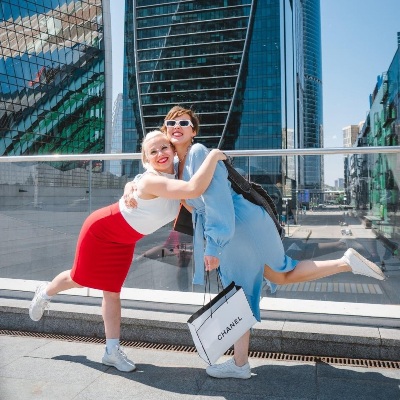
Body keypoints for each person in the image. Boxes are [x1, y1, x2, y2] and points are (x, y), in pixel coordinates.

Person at [161, 105, 385, 380]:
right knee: (279, 274)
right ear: (165, 130)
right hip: (245, 223)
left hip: (236, 226)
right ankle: (345, 262)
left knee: (240, 292)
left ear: (193, 131)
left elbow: (218, 200)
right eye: (171, 123)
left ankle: (240, 365)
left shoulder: (197, 153)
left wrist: (214, 245)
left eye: (184, 123)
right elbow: (192, 204)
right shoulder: (178, 165)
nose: (177, 127)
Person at [28, 130, 226, 373]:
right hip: (101, 230)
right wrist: (214, 155)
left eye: (164, 147)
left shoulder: (176, 172)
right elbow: (193, 189)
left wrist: (129, 185)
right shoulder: (152, 180)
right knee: (79, 279)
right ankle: (44, 292)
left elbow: (154, 184)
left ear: (173, 150)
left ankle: (111, 352)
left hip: (124, 240)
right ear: (146, 159)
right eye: (153, 151)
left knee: (112, 292)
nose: (160, 154)